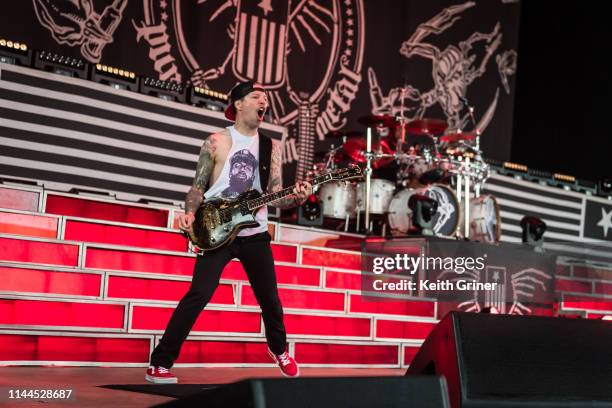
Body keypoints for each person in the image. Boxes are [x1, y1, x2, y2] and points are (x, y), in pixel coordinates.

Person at [145, 81, 312, 383]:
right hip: (217, 229)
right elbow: (198, 188)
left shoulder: (270, 147)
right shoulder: (215, 141)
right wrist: (190, 213)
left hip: (254, 232)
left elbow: (276, 194)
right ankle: (160, 362)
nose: (264, 102)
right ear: (238, 104)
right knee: (198, 294)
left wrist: (297, 196)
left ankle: (279, 349)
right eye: (256, 96)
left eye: (266, 98)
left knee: (270, 300)